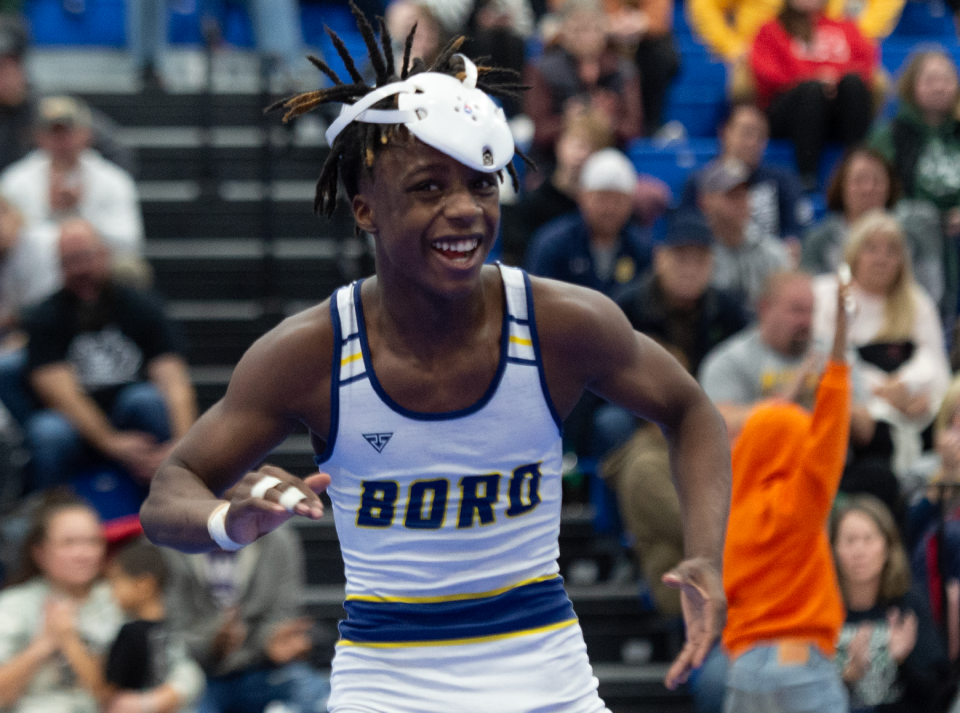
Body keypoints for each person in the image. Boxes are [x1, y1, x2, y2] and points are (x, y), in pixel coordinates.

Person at [140, 14, 731, 711]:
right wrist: (225, 521)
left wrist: (705, 554)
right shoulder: (309, 352)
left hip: (549, 683)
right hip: (387, 689)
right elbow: (168, 491)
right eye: (427, 188)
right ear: (364, 210)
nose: (465, 210)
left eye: (481, 185)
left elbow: (691, 410)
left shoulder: (560, 323)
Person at [597, 208, 747, 616]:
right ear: (660, 258)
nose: (689, 268)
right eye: (680, 257)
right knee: (608, 426)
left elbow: (741, 363)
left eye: (699, 259)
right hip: (636, 405)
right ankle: (616, 539)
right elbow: (598, 373)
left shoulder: (728, 309)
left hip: (709, 405)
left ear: (712, 264)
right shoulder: (627, 305)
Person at [721, 276, 851, 711]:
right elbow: (829, 438)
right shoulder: (796, 506)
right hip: (799, 667)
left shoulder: (732, 513)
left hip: (742, 670)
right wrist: (838, 356)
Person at [23, 219, 197, 491]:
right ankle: (47, 515)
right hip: (77, 425)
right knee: (47, 431)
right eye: (70, 261)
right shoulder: (46, 316)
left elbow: (173, 379)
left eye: (85, 257)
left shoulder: (142, 306)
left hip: (130, 414)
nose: (80, 268)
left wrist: (183, 444)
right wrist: (109, 441)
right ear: (59, 267)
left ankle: (178, 490)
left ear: (105, 254)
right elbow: (60, 393)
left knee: (147, 399)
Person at [811, 211, 951, 479]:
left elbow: (936, 366)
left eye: (891, 251)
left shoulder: (917, 301)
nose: (882, 258)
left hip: (914, 414)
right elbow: (823, 357)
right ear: (853, 252)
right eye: (872, 248)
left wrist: (911, 389)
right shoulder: (828, 295)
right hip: (858, 419)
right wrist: (878, 390)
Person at [163, 525, 326, 713]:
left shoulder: (279, 539)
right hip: (199, 672)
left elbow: (283, 612)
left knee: (315, 697)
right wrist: (213, 642)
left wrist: (270, 641)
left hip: (261, 668)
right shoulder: (171, 544)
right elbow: (175, 627)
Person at [0, 491, 122, 713]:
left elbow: (174, 667)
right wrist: (43, 645)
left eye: (92, 541)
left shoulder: (122, 598)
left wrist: (158, 699)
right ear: (40, 552)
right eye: (69, 543)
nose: (83, 554)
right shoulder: (12, 606)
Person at [832, 495, 947, 713]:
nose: (859, 551)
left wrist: (903, 660)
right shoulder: (822, 607)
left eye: (868, 539)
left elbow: (935, 696)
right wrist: (848, 675)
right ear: (834, 550)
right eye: (849, 541)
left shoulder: (908, 602)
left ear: (887, 547)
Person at [870, 49, 960, 319]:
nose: (940, 87)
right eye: (931, 79)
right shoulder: (890, 135)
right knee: (922, 218)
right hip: (913, 230)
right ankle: (933, 317)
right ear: (912, 85)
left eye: (946, 79)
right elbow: (877, 192)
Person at [749, 0, 877, 189]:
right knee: (812, 90)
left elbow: (866, 65)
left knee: (852, 83)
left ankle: (856, 170)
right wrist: (814, 78)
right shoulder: (772, 29)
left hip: (836, 110)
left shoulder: (844, 27)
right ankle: (806, 178)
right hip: (789, 112)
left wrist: (833, 78)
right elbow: (766, 73)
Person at [801, 147, 945, 312]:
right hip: (839, 321)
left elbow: (932, 292)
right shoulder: (819, 239)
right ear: (842, 186)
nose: (868, 188)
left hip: (902, 320)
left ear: (889, 186)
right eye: (859, 180)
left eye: (877, 181)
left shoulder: (913, 233)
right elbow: (811, 296)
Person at [0, 96, 143, 259]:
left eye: (68, 132)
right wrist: (50, 211)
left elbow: (130, 242)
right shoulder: (15, 181)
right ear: (39, 136)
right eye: (53, 132)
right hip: (36, 271)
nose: (61, 141)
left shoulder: (113, 180)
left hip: (97, 269)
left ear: (86, 134)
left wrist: (80, 213)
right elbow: (7, 242)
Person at [680, 103, 811, 248]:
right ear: (726, 133)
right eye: (746, 132)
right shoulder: (701, 181)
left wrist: (789, 245)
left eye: (760, 136)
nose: (752, 142)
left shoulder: (783, 180)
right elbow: (686, 232)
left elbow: (796, 230)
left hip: (770, 262)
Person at [524, 0, 643, 158]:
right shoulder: (541, 70)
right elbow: (539, 131)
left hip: (610, 155)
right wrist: (568, 121)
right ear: (563, 31)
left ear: (604, 29)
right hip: (554, 160)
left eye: (593, 28)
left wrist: (608, 122)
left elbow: (634, 128)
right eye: (578, 30)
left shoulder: (623, 70)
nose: (585, 37)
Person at [526, 147, 652, 296]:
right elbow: (537, 299)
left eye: (618, 200)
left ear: (630, 202)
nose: (610, 209)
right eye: (602, 198)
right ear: (582, 197)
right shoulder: (554, 244)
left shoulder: (641, 248)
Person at [103, 539, 205, 713]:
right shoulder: (173, 630)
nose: (111, 592)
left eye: (115, 582)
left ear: (144, 585)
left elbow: (107, 692)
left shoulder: (129, 633)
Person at [500, 111, 612, 266]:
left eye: (591, 148)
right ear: (560, 145)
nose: (581, 155)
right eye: (577, 145)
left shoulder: (606, 210)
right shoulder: (533, 205)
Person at [695, 157, 791, 310]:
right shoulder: (696, 252)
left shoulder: (772, 252)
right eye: (731, 195)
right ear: (706, 201)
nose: (741, 201)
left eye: (744, 193)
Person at [604, 0, 681, 134]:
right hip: (604, 36)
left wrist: (640, 22)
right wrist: (607, 22)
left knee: (662, 53)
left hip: (644, 43)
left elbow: (658, 17)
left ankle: (651, 125)